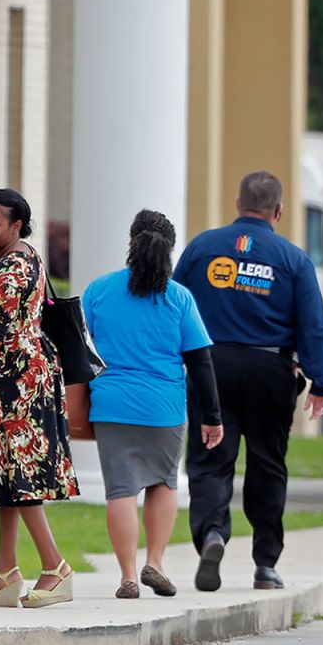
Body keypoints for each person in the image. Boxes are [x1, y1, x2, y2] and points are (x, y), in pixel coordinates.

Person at [174, 171, 323, 592]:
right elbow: (314, 324)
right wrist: (321, 382)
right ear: (278, 211)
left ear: (236, 202)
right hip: (270, 370)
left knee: (211, 458)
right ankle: (265, 563)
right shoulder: (292, 259)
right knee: (267, 463)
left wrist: (172, 361)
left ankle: (211, 533)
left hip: (212, 366)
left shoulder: (202, 248)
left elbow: (174, 305)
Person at [81, 211, 224, 599]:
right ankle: (155, 562)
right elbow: (200, 360)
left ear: (131, 242)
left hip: (111, 404)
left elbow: (83, 347)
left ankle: (128, 576)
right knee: (163, 483)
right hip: (164, 408)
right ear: (169, 250)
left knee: (121, 490)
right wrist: (212, 417)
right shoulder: (178, 297)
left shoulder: (99, 290)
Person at [0, 189, 79, 609]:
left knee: (21, 480)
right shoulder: (22, 258)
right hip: (10, 383)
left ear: (16, 226)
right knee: (6, 479)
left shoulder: (13, 270)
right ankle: (6, 573)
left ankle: (56, 568)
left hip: (19, 386)